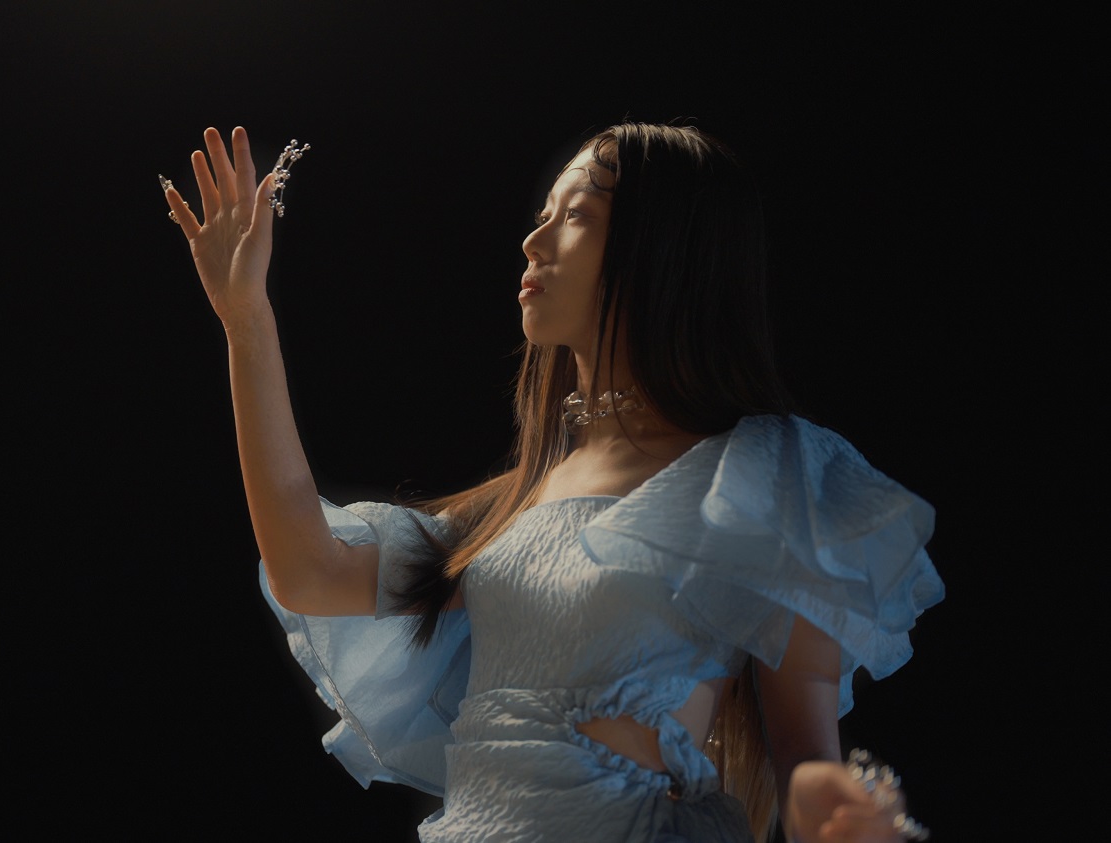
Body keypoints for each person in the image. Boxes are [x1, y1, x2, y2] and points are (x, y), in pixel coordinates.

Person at [161, 123, 943, 843]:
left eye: (578, 215)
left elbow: (804, 754)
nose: (534, 240)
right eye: (544, 213)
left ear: (662, 247)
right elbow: (309, 568)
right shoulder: (523, 498)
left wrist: (843, 810)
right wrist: (246, 319)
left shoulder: (762, 470)